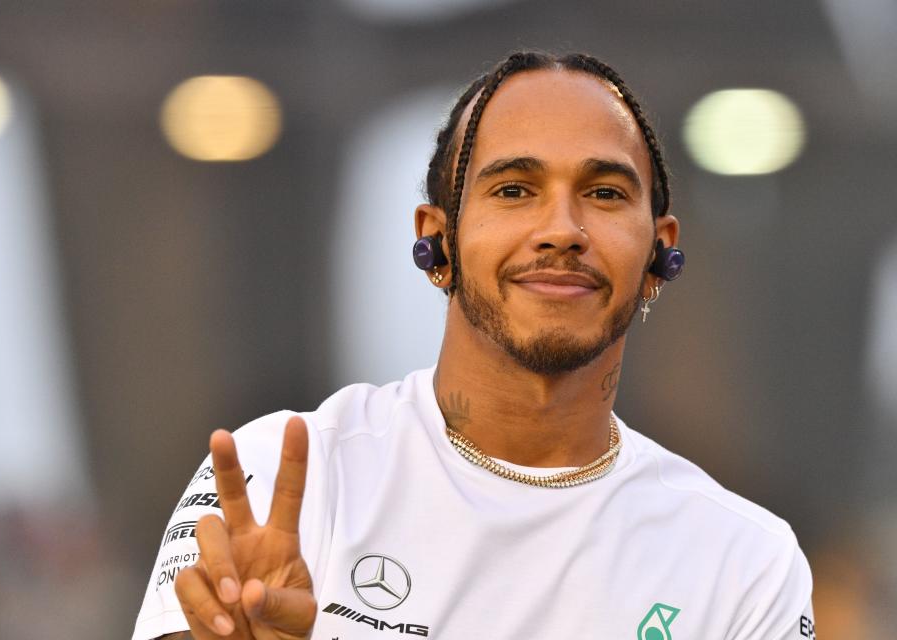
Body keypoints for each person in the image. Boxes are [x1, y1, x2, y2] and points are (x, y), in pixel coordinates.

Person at [132, 50, 814, 640]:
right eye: (514, 189)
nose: (562, 230)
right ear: (439, 242)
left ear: (660, 251)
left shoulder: (744, 562)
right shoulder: (284, 472)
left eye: (604, 193)